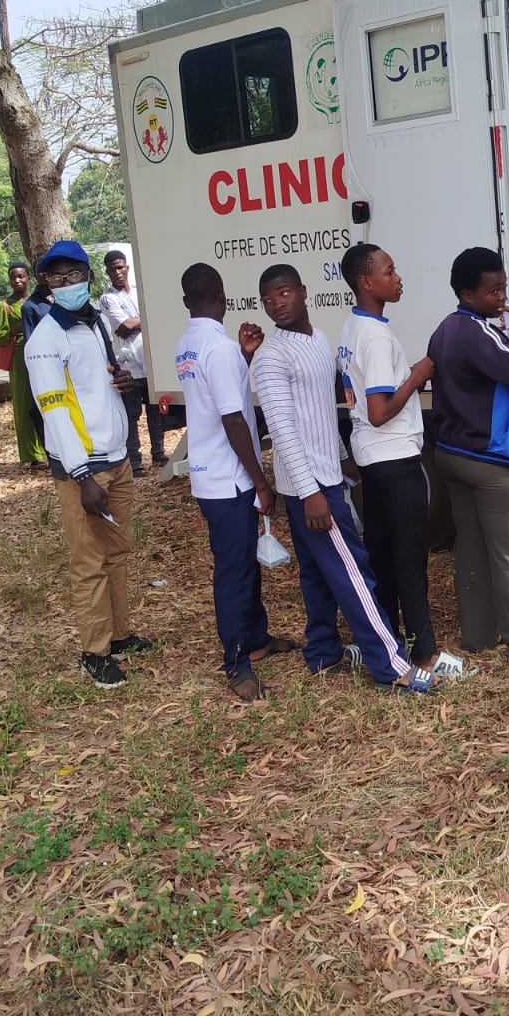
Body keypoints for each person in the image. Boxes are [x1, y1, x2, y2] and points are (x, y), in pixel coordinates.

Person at [250, 263, 438, 695]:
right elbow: (282, 429)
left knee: (317, 573)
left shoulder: (318, 342)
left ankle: (322, 652)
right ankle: (391, 667)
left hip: (323, 475)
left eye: (283, 293)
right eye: (267, 299)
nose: (276, 303)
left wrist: (342, 461)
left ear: (303, 291)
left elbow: (320, 416)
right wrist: (313, 491)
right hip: (309, 486)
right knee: (355, 574)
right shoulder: (271, 358)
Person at [25, 240, 155, 689]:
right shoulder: (45, 339)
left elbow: (95, 383)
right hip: (84, 470)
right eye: (56, 279)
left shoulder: (96, 323)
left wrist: (118, 381)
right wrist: (82, 475)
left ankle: (119, 635)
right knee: (89, 561)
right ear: (46, 285)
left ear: (87, 278)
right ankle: (94, 651)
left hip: (117, 458)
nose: (66, 285)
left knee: (118, 552)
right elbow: (54, 411)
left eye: (74, 276)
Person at [174, 263, 301, 702]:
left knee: (244, 565)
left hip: (209, 476)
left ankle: (258, 639)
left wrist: (243, 358)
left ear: (188, 300)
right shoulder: (218, 347)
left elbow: (214, 399)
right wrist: (260, 480)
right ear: (223, 297)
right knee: (234, 573)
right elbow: (232, 419)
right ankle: (236, 662)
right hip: (229, 480)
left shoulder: (189, 344)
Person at [337, 243, 465, 673]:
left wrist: (404, 376)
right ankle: (425, 653)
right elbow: (379, 412)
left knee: (385, 556)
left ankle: (386, 640)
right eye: (389, 270)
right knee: (410, 558)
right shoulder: (374, 335)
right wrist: (419, 374)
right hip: (393, 460)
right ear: (365, 282)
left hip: (373, 462)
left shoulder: (353, 327)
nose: (398, 277)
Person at [427, 247, 509, 664]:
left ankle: (478, 636)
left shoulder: (445, 330)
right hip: (494, 460)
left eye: (503, 288)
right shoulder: (475, 331)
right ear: (466, 293)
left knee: (472, 549)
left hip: (454, 454)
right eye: (492, 291)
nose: (501, 298)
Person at [100, 249, 167, 476]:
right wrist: (148, 320)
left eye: (121, 267)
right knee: (131, 414)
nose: (118, 272)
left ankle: (158, 453)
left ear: (127, 267)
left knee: (155, 410)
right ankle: (136, 461)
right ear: (108, 272)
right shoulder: (108, 298)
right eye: (113, 269)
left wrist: (141, 321)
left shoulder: (140, 292)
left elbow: (154, 316)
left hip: (149, 361)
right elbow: (124, 326)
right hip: (127, 365)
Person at [0, 263, 48, 470]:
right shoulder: (4, 306)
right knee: (25, 404)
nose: (17, 281)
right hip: (20, 357)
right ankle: (33, 455)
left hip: (44, 354)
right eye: (13, 277)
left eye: (21, 277)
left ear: (29, 278)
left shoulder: (38, 301)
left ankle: (51, 448)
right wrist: (17, 327)